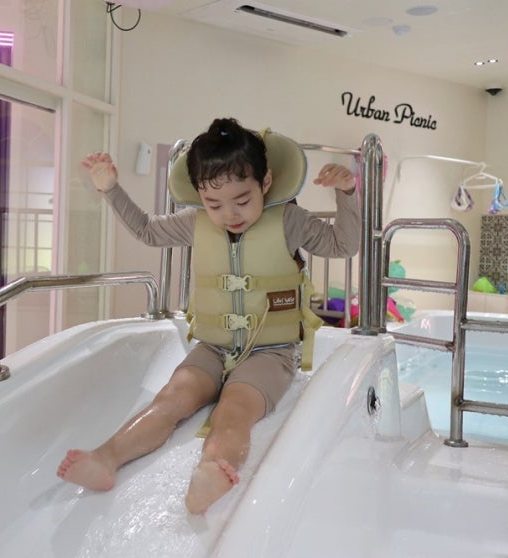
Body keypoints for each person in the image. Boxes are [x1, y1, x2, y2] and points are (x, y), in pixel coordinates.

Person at [57, 117, 361, 514]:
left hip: (270, 352)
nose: (229, 214)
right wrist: (110, 188)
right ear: (200, 195)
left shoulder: (289, 221)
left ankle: (213, 470)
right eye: (214, 204)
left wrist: (347, 193)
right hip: (212, 348)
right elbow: (147, 230)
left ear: (265, 182)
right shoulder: (195, 222)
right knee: (170, 399)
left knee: (234, 410)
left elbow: (343, 245)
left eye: (242, 200)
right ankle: (105, 458)